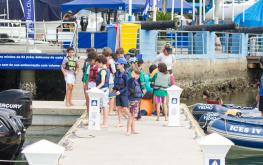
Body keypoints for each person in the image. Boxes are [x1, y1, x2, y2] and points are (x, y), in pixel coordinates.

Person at [113, 58, 129, 127]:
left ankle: (132, 118)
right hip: (117, 93)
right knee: (118, 108)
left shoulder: (126, 74)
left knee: (125, 108)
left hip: (124, 94)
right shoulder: (117, 73)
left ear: (122, 65)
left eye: (118, 64)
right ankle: (120, 122)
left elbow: (127, 86)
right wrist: (113, 89)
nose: (117, 65)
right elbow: (116, 84)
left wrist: (121, 91)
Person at [95, 55, 110, 127]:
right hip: (103, 89)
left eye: (97, 63)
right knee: (104, 106)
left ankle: (105, 123)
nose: (97, 65)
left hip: (103, 90)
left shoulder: (103, 71)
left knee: (104, 106)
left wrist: (95, 88)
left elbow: (103, 82)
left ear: (100, 62)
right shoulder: (106, 69)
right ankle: (104, 122)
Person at [127, 67, 142, 135]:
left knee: (134, 116)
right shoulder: (131, 80)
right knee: (131, 115)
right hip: (132, 100)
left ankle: (133, 130)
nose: (138, 76)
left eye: (138, 74)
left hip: (137, 100)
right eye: (137, 74)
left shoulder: (136, 81)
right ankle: (128, 130)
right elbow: (129, 82)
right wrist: (132, 75)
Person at [102, 47, 117, 115]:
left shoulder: (102, 60)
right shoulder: (111, 61)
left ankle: (103, 110)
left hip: (103, 80)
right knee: (112, 96)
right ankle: (110, 111)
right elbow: (114, 71)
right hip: (110, 79)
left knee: (104, 95)